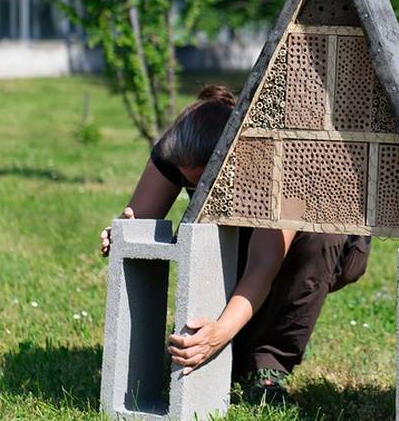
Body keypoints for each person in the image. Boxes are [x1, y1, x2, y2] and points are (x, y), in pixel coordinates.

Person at [100, 85, 370, 402]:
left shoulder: (280, 158)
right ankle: (236, 345)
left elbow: (263, 264)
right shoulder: (178, 148)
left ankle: (267, 362)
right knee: (211, 226)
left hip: (333, 239)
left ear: (234, 158)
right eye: (189, 183)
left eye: (206, 182)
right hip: (249, 225)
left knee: (318, 237)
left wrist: (220, 334)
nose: (195, 189)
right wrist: (120, 233)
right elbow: (138, 222)